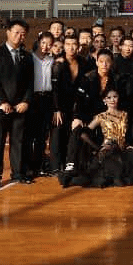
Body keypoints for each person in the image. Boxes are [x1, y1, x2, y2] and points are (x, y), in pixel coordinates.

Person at [0, 20, 34, 189]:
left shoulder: (27, 56)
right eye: (16, 32)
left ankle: (18, 173)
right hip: (0, 108)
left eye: (23, 34)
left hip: (19, 107)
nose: (20, 36)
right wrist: (3, 101)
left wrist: (26, 101)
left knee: (18, 142)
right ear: (8, 32)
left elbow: (30, 82)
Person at [50, 34, 92, 174]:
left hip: (77, 105)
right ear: (64, 46)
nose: (71, 47)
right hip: (59, 105)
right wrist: (56, 109)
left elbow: (86, 85)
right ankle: (56, 166)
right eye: (68, 44)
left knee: (73, 134)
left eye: (74, 44)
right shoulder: (58, 63)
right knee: (57, 133)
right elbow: (54, 89)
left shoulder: (84, 62)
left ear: (78, 46)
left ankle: (71, 163)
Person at [26, 32, 55, 178]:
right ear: (38, 42)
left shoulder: (52, 60)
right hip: (33, 99)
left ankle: (40, 165)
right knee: (30, 134)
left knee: (42, 135)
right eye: (43, 43)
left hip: (47, 99)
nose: (46, 46)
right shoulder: (30, 58)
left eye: (49, 44)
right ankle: (29, 166)